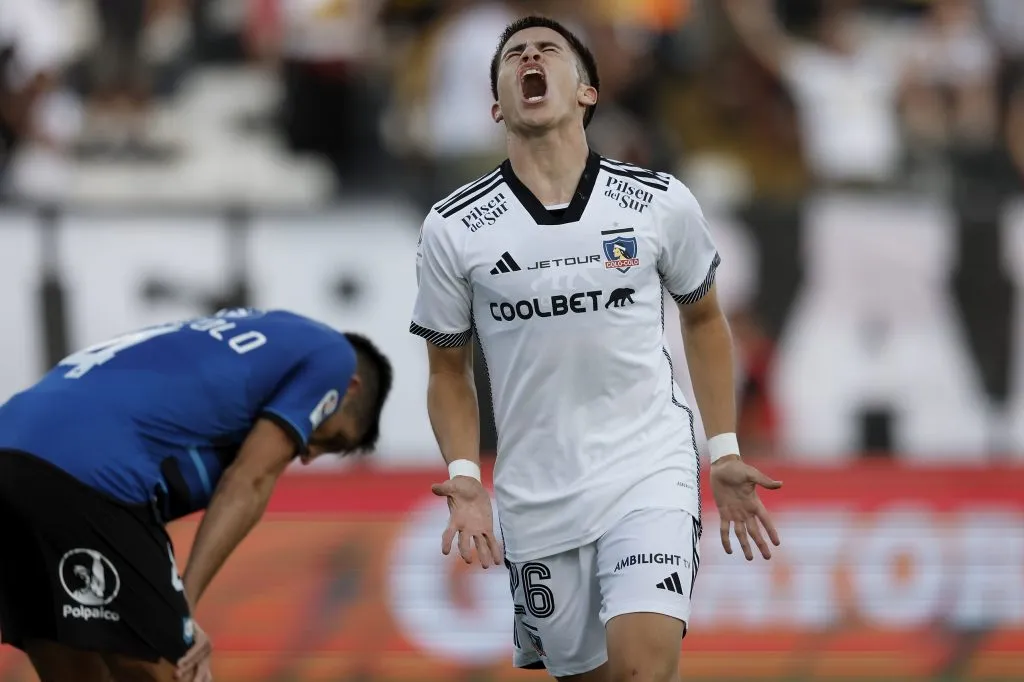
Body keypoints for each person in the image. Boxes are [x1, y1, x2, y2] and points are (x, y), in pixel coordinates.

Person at [410, 15, 782, 682]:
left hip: (647, 469)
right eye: (514, 53)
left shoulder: (657, 204)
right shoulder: (454, 228)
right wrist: (465, 476)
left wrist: (721, 449)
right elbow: (446, 368)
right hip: (536, 493)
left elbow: (704, 320)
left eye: (548, 49)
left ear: (586, 92)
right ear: (497, 103)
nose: (530, 56)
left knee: (643, 670)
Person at [0, 308, 393, 682]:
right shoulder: (334, 359)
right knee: (176, 668)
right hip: (84, 464)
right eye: (333, 439)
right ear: (349, 389)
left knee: (76, 671)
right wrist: (182, 612)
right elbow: (249, 482)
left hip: (12, 445)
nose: (308, 453)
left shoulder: (236, 341)